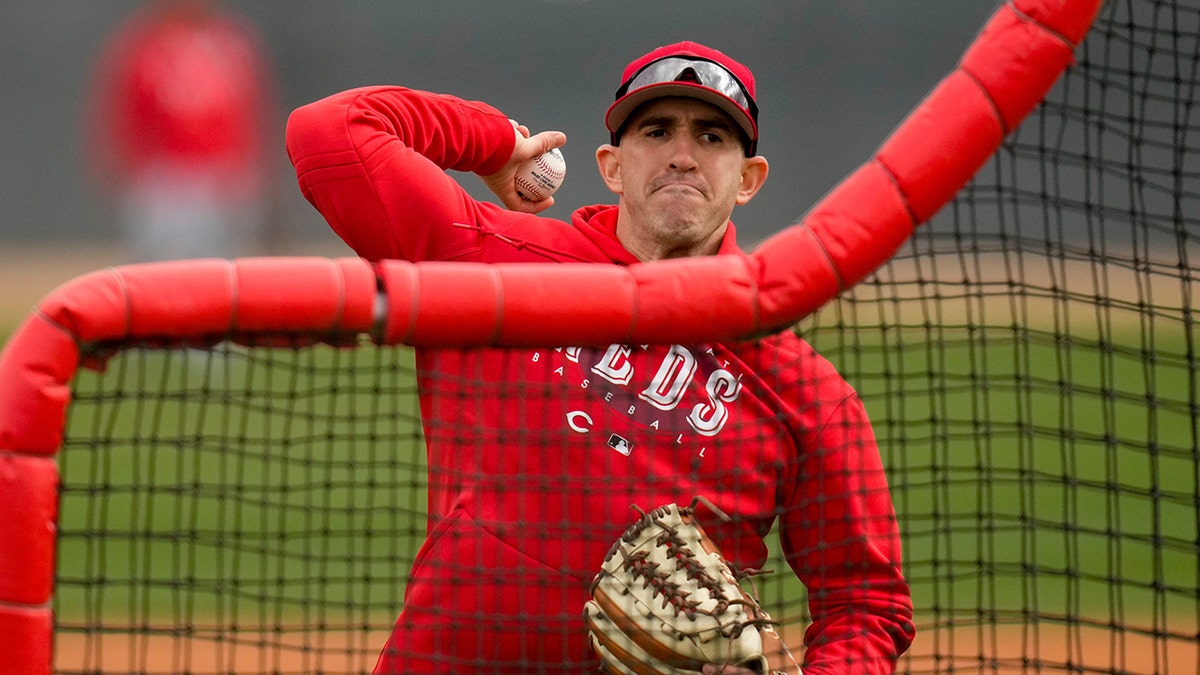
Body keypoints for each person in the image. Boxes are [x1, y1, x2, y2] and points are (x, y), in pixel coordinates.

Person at [286, 41, 915, 675]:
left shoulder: (804, 391)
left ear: (748, 179)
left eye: (713, 137)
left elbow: (865, 603)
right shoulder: (494, 261)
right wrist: (495, 142)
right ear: (612, 167)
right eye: (656, 130)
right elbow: (328, 133)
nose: (681, 155)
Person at [85, 0, 276, 262]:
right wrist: (124, 176)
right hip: (167, 181)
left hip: (224, 178)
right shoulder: (142, 45)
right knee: (165, 272)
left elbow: (253, 114)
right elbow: (121, 115)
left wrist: (255, 175)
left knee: (226, 274)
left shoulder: (231, 43)